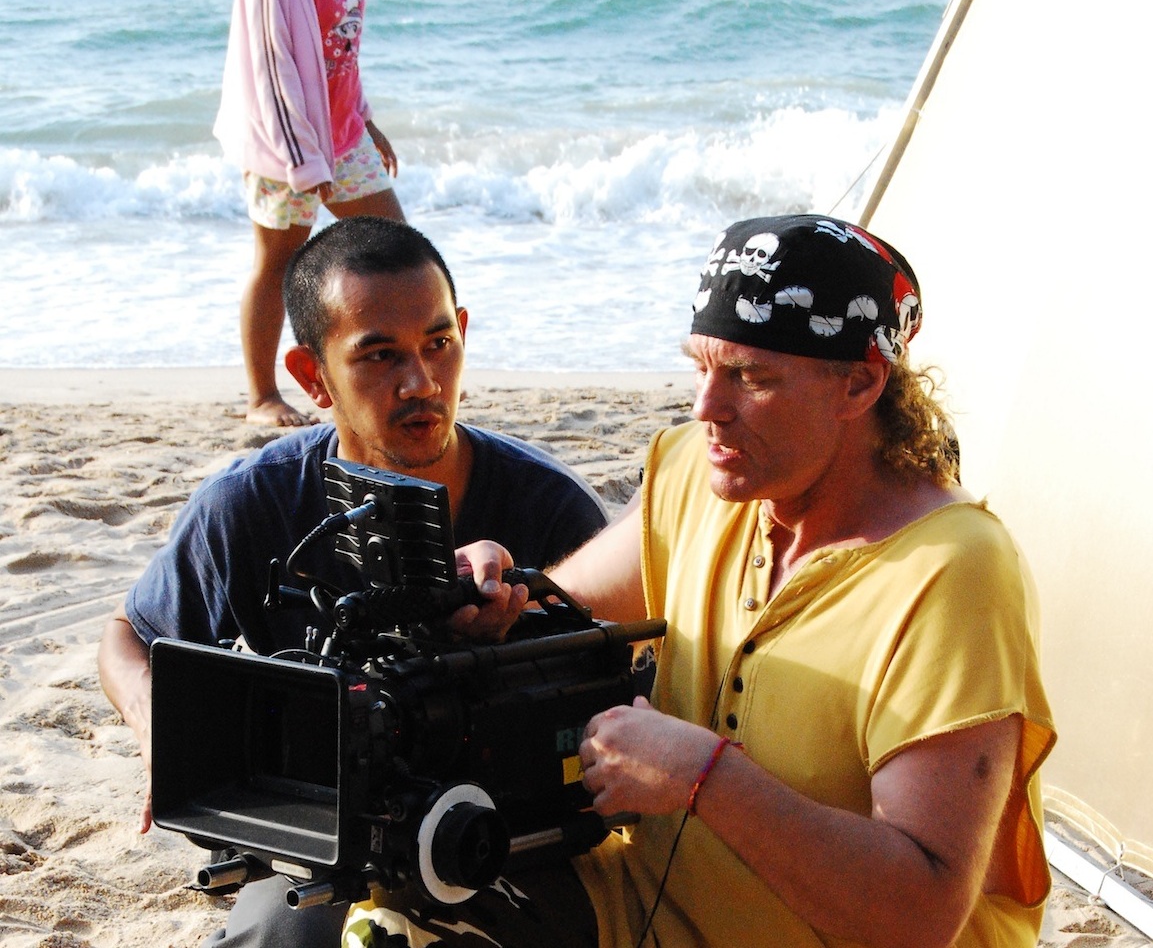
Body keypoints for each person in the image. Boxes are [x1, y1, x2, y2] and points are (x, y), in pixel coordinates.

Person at [347, 214, 1057, 948]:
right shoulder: (701, 470)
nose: (705, 408)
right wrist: (498, 592)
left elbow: (918, 915)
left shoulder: (953, 572)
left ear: (858, 383)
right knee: (390, 926)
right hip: (644, 913)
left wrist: (702, 776)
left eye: (750, 377)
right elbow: (564, 601)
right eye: (700, 367)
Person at [97, 216, 609, 948]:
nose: (421, 382)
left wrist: (518, 625)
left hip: (497, 831)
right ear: (312, 378)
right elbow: (128, 635)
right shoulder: (254, 502)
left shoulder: (550, 510)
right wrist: (156, 724)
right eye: (378, 356)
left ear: (462, 330)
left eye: (439, 343)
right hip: (319, 823)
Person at [215, 0, 407, 427]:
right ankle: (262, 397)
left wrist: (366, 120)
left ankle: (390, 375)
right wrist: (302, 162)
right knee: (277, 261)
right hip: (285, 146)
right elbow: (272, 73)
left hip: (341, 135)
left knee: (397, 248)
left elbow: (342, 52)